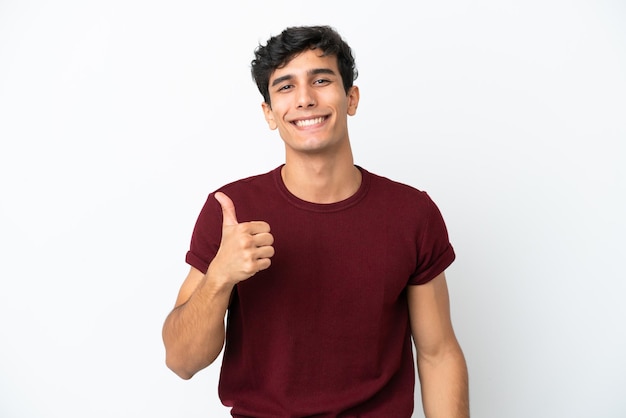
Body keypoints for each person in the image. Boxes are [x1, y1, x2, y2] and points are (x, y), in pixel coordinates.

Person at [162, 25, 469, 417]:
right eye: (285, 87)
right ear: (269, 114)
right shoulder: (231, 211)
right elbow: (181, 361)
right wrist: (220, 276)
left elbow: (438, 353)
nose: (305, 99)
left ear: (351, 98)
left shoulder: (411, 213)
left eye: (321, 80)